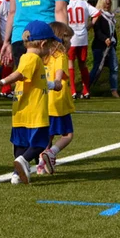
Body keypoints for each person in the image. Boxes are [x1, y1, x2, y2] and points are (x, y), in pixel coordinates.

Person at [0, 20, 58, 185]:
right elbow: (19, 74)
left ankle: (16, 174)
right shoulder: (33, 58)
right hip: (34, 112)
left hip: (20, 113)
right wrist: (3, 81)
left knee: (20, 145)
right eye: (50, 45)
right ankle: (23, 160)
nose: (50, 49)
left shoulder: (25, 58)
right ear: (43, 44)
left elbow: (32, 80)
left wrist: (51, 85)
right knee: (41, 142)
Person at [38, 22, 74, 176]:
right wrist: (57, 81)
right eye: (69, 39)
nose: (71, 43)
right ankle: (51, 153)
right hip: (58, 102)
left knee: (48, 135)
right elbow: (59, 71)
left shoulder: (43, 56)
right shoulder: (60, 56)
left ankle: (41, 165)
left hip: (44, 101)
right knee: (67, 135)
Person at [66, 0, 99, 99]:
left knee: (70, 63)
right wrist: (88, 26)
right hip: (82, 37)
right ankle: (86, 91)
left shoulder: (65, 4)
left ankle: (73, 91)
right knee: (83, 64)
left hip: (71, 37)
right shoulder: (83, 3)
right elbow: (97, 13)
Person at [89, 0, 119, 98]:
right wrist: (105, 39)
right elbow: (97, 31)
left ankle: (114, 90)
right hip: (99, 45)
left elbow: (113, 31)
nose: (108, 5)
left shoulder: (111, 16)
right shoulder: (98, 15)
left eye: (109, 3)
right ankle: (86, 88)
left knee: (114, 67)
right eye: (106, 3)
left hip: (111, 46)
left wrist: (115, 42)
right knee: (97, 68)